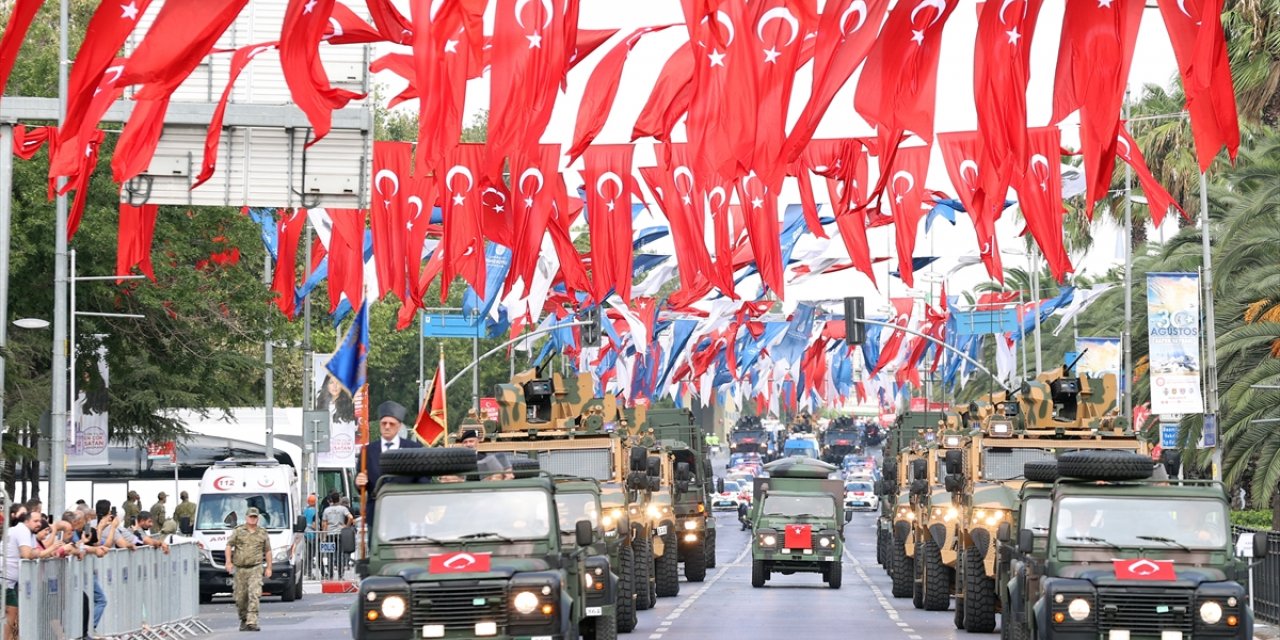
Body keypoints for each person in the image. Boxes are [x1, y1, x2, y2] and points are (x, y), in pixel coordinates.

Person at [354, 401, 422, 524]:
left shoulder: (413, 449)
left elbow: (423, 479)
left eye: (391, 424)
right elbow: (361, 483)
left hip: (406, 513)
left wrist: (417, 505)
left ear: (399, 426)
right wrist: (359, 482)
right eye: (384, 423)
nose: (387, 427)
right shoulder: (367, 451)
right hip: (376, 513)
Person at [225, 507, 271, 632]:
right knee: (240, 598)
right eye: (251, 517)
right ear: (246, 517)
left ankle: (252, 621)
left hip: (255, 567)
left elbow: (267, 550)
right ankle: (244, 619)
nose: (253, 519)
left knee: (254, 594)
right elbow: (229, 545)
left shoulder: (262, 532)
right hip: (240, 569)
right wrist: (228, 561)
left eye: (255, 517)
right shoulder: (238, 531)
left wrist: (269, 567)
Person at [5, 512, 43, 639]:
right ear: (27, 521)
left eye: (40, 521)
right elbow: (27, 554)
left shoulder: (21, 531)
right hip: (4, 579)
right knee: (11, 612)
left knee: (12, 612)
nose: (39, 524)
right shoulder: (23, 531)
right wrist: (38, 552)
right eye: (36, 521)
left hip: (8, 582)